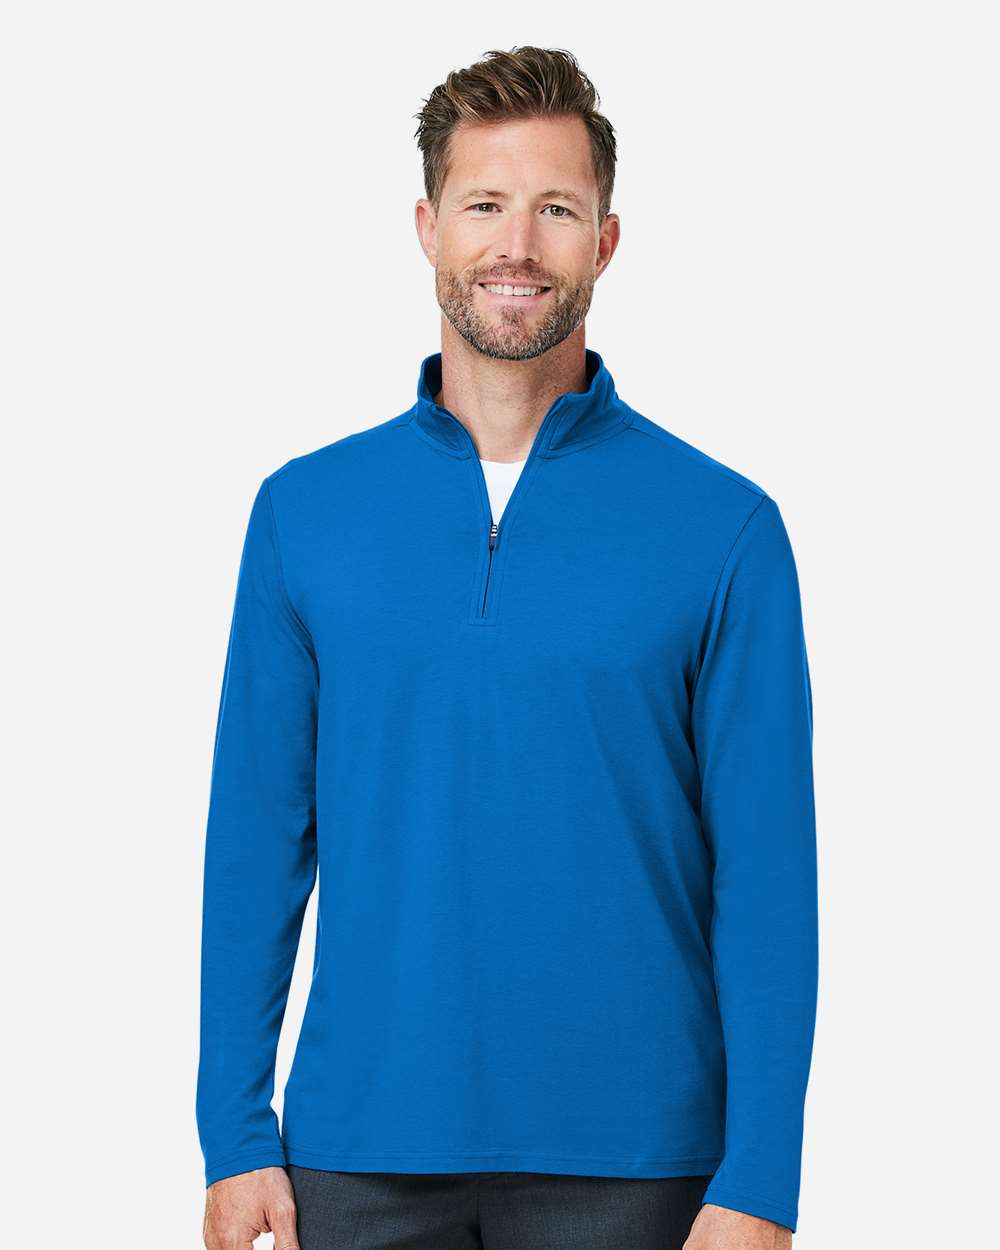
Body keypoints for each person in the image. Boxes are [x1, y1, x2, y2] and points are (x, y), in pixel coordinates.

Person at [197, 44, 818, 1250]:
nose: (517, 244)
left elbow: (766, 874)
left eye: (556, 209)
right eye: (484, 204)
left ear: (606, 239)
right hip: (355, 1153)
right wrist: (233, 1131)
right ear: (427, 226)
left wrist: (761, 1178)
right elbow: (255, 838)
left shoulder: (724, 526)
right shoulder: (303, 512)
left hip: (641, 1162)